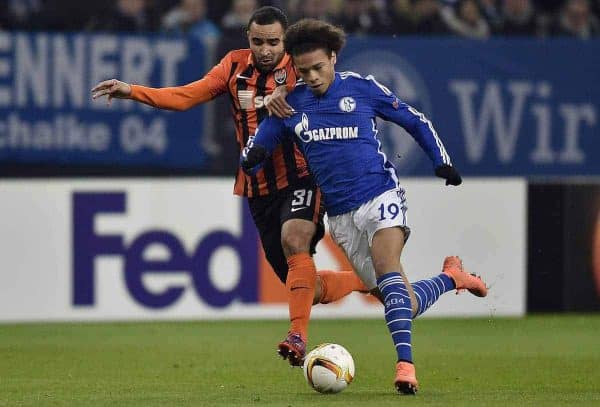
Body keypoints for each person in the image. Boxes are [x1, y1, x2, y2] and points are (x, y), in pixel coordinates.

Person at [91, 6, 368, 367]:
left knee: (294, 239)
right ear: (247, 39)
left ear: (285, 40)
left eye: (273, 42)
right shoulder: (233, 67)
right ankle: (367, 280)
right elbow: (187, 95)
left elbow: (335, 103)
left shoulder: (301, 69)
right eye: (258, 42)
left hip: (302, 175)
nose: (266, 50)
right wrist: (133, 91)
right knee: (305, 288)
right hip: (258, 188)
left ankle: (297, 336)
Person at [240, 18, 488, 394]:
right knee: (398, 300)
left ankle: (406, 367)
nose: (312, 77)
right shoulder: (291, 105)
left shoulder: (361, 88)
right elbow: (256, 147)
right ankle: (453, 277)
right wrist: (252, 156)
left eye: (319, 68)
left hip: (380, 196)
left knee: (389, 267)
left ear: (334, 58)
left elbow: (413, 120)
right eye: (303, 70)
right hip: (340, 217)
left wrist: (441, 159)